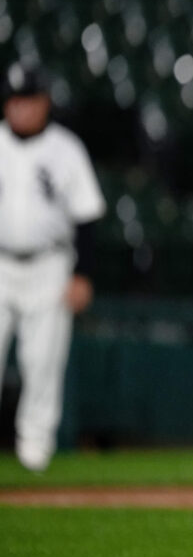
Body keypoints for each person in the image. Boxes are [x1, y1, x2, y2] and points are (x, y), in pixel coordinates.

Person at [0, 67, 106, 472]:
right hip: (1, 262)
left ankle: (35, 449)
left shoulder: (66, 148)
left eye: (27, 99)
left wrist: (83, 273)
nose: (20, 108)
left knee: (42, 359)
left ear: (44, 102)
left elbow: (87, 218)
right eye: (13, 100)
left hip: (49, 264)